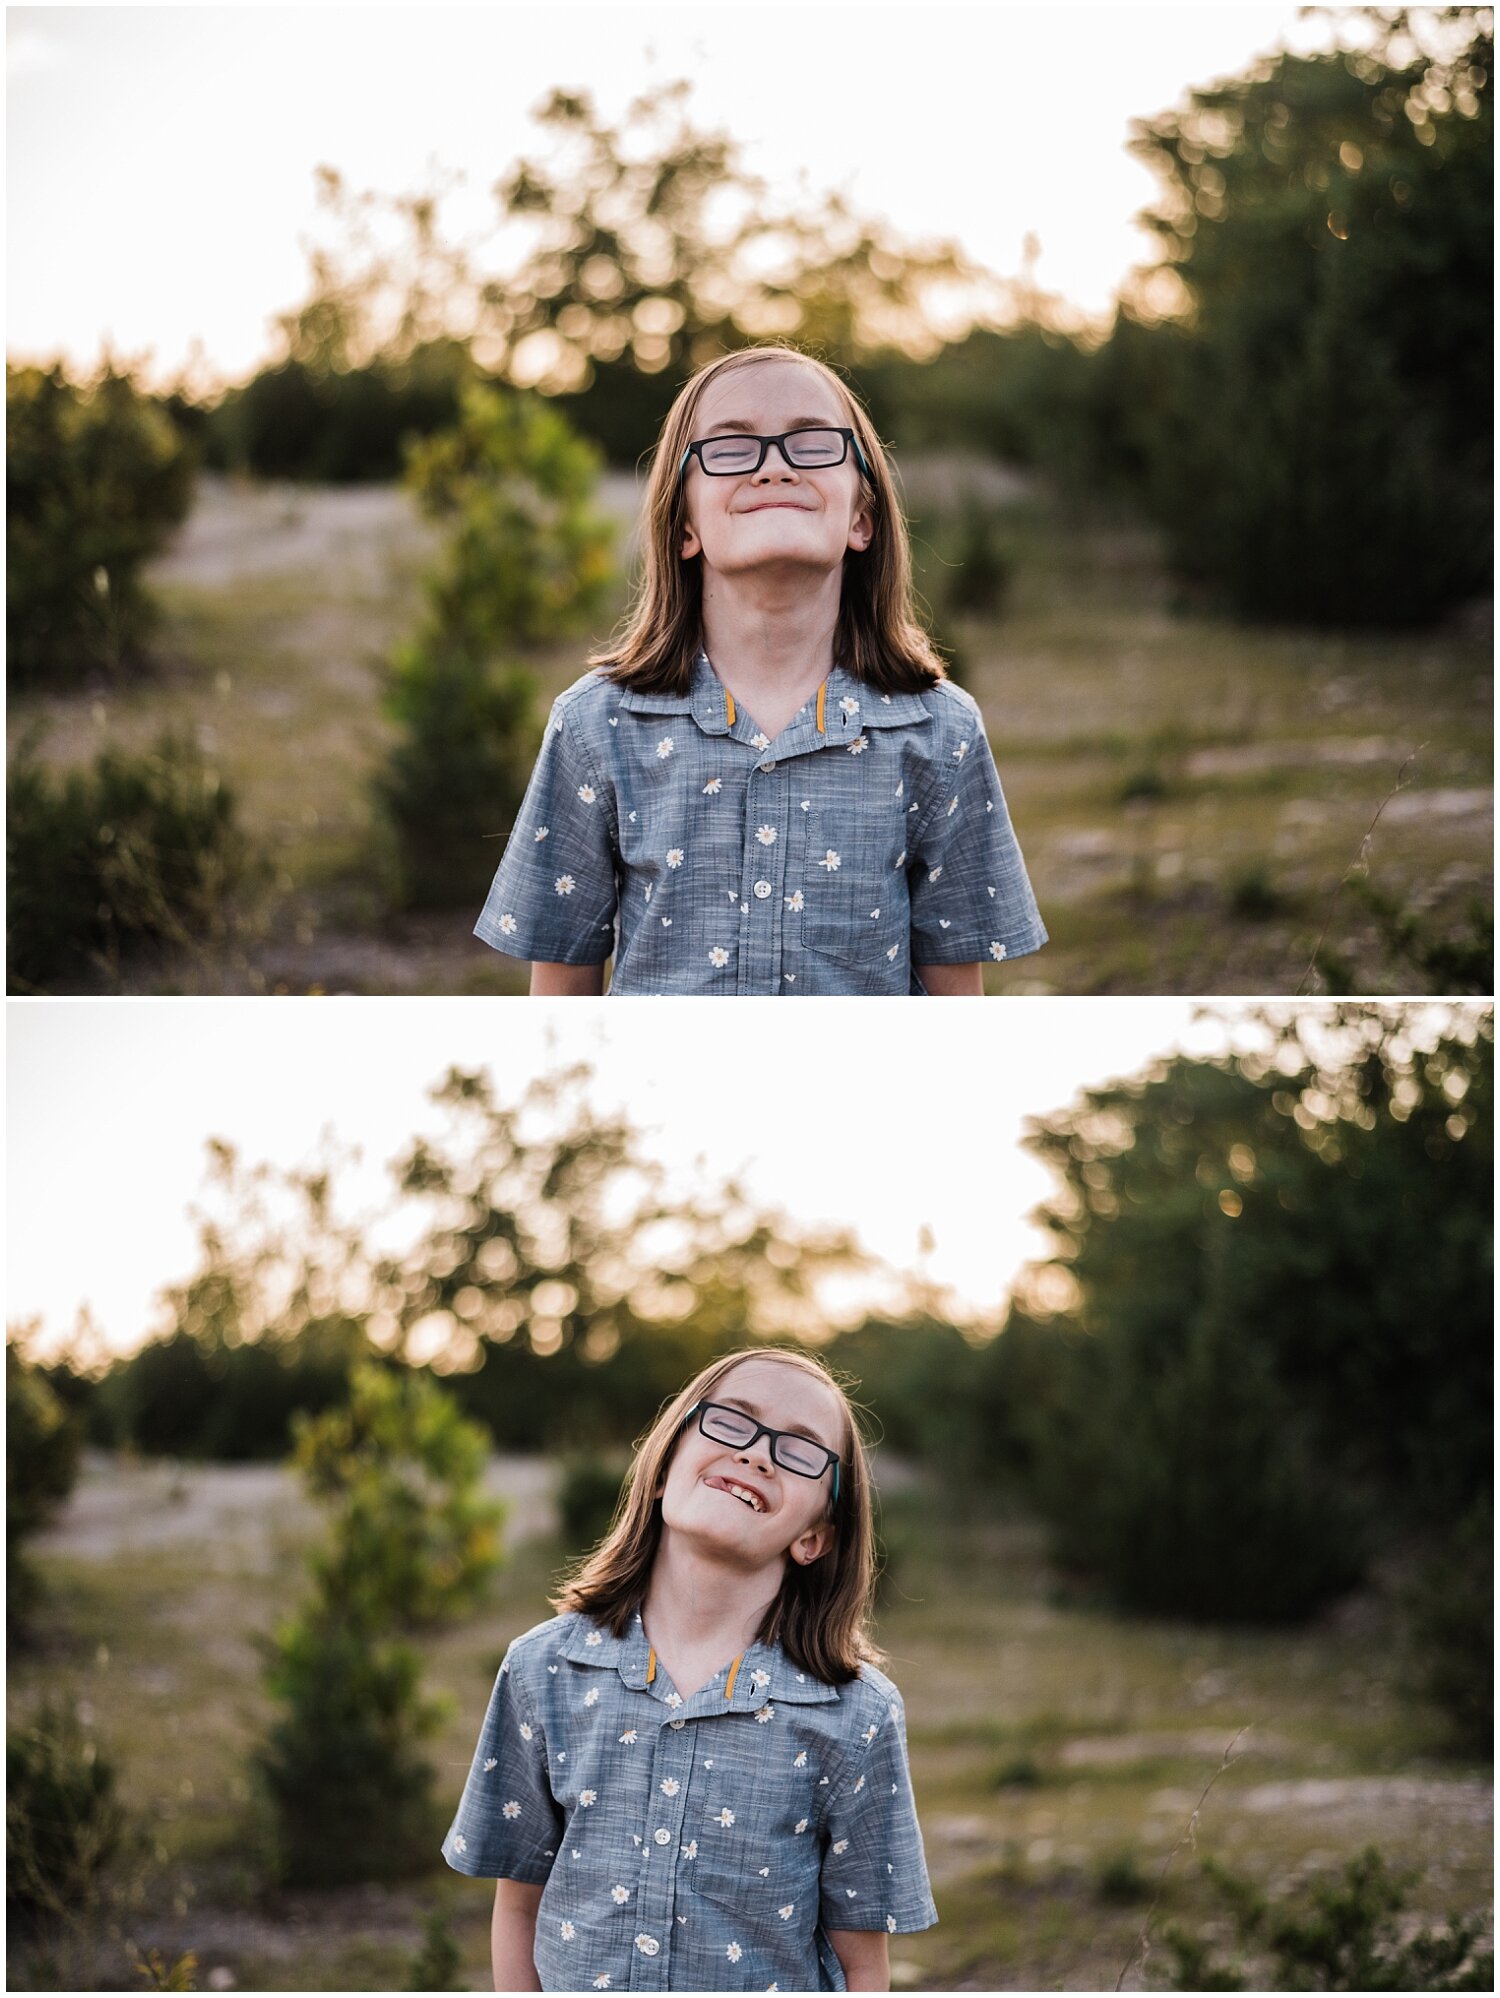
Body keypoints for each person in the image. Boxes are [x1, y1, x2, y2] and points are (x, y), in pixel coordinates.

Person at [473, 343, 1046, 995]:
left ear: (861, 515)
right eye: (731, 448)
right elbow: (560, 998)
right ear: (684, 523)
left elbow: (954, 1003)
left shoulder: (942, 731)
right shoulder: (595, 726)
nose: (774, 468)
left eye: (812, 443)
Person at [442, 1348, 937, 1991]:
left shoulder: (858, 1714)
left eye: (800, 1451)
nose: (757, 1454)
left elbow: (863, 1963)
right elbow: (518, 1909)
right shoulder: (544, 1670)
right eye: (731, 1422)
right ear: (663, 1466)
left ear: (816, 1534)